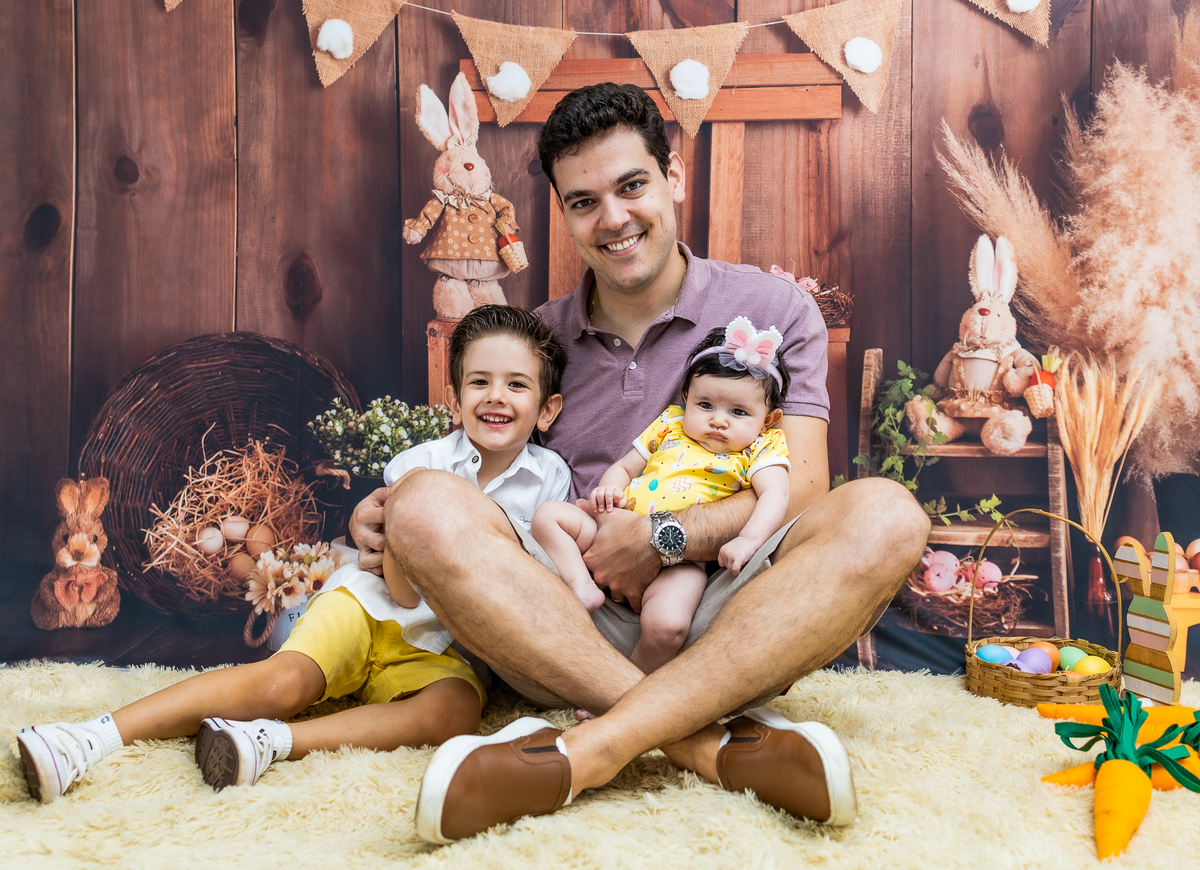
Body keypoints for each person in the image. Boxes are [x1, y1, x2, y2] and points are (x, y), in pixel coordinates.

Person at [350, 83, 930, 844]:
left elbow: (806, 489)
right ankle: (704, 742)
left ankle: (592, 748)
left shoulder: (775, 310)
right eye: (584, 201)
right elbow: (475, 471)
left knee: (887, 513)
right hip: (567, 621)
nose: (614, 218)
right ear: (563, 213)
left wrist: (662, 538)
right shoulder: (535, 340)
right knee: (425, 499)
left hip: (738, 613)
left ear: (674, 177)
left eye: (632, 186)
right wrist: (389, 509)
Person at [16, 304, 570, 805]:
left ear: (547, 410)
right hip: (372, 606)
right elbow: (402, 591)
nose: (496, 396)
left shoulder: (551, 481)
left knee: (455, 711)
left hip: (449, 642)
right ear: (453, 399)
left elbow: (534, 587)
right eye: (479, 381)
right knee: (283, 683)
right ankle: (86, 738)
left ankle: (271, 741)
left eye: (517, 384)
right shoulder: (418, 466)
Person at [533, 318, 793, 678]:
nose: (718, 421)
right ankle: (582, 587)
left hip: (683, 559)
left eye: (738, 412)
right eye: (705, 404)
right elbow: (624, 467)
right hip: (616, 525)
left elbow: (776, 495)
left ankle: (629, 684)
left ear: (768, 419)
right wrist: (609, 489)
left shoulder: (761, 447)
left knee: (668, 626)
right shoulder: (670, 424)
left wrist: (749, 539)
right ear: (686, 398)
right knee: (548, 516)